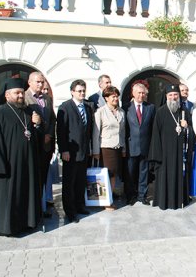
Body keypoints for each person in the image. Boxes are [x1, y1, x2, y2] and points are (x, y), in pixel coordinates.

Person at [0, 78, 43, 236]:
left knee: (26, 194)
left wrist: (37, 124)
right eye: (16, 93)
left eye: (21, 93)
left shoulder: (28, 113)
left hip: (27, 164)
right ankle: (8, 228)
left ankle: (27, 223)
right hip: (8, 166)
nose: (20, 96)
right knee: (9, 197)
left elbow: (34, 137)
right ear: (7, 95)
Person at [148, 84, 194, 210]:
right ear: (166, 97)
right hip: (165, 154)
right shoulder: (160, 112)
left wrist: (186, 127)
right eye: (171, 95)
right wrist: (158, 155)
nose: (173, 97)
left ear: (179, 96)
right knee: (165, 177)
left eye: (176, 95)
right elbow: (155, 135)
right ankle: (164, 201)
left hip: (180, 154)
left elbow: (192, 133)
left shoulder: (184, 111)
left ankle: (181, 200)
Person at [57, 80, 94, 223]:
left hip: (84, 152)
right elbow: (61, 131)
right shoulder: (65, 107)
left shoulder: (87, 107)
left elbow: (88, 130)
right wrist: (64, 150)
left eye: (84, 90)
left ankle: (80, 206)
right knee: (69, 184)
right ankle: (70, 212)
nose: (82, 93)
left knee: (80, 182)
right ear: (72, 92)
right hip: (70, 153)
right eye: (79, 91)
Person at [24, 72, 56, 218]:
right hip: (32, 145)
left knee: (43, 177)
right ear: (29, 82)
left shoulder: (47, 99)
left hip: (46, 145)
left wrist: (49, 134)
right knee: (32, 179)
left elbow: (52, 119)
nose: (41, 84)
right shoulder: (24, 98)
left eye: (42, 82)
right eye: (37, 82)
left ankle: (42, 207)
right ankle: (32, 210)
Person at [92, 86, 126, 210]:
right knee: (107, 174)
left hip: (118, 147)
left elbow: (123, 131)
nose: (116, 98)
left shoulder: (121, 112)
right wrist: (95, 151)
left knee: (114, 174)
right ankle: (106, 202)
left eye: (117, 96)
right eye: (113, 96)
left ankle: (109, 198)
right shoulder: (100, 112)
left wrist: (123, 148)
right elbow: (96, 133)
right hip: (106, 148)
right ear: (106, 98)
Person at [122, 83, 156, 206]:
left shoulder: (151, 107)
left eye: (143, 93)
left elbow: (153, 128)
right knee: (130, 173)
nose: (141, 95)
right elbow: (124, 128)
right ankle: (130, 196)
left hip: (145, 146)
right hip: (131, 146)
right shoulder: (126, 108)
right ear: (133, 93)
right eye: (139, 93)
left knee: (144, 173)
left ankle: (142, 196)